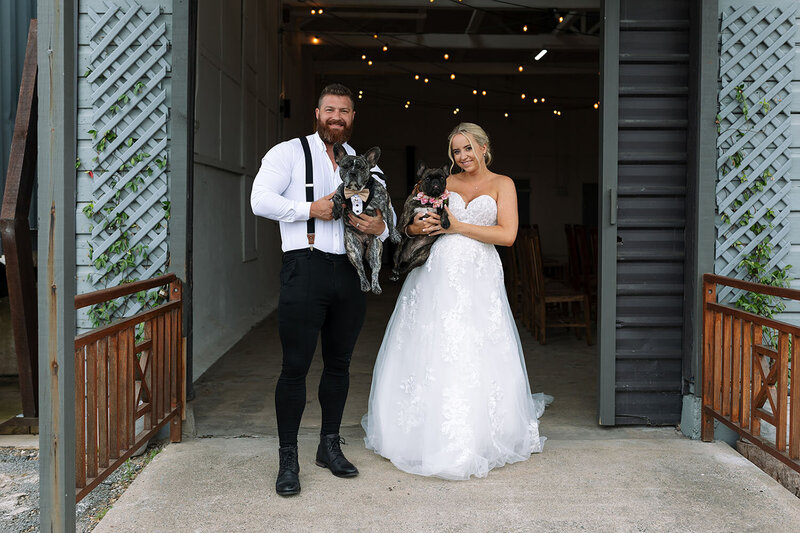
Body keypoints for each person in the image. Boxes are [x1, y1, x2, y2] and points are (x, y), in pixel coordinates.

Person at [362, 122, 551, 480]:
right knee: (435, 345)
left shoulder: (503, 184)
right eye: (455, 151)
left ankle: (479, 433)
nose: (461, 157)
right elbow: (410, 226)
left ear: (484, 147)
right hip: (435, 275)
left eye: (467, 148)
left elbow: (507, 235)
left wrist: (456, 227)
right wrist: (421, 226)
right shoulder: (442, 183)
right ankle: (422, 431)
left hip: (479, 274)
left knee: (476, 345)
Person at [251, 83, 392, 496]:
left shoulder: (365, 163)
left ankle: (328, 445)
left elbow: (393, 217)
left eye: (345, 111)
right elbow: (260, 200)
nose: (337, 117)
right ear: (317, 114)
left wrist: (380, 226)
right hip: (305, 266)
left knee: (339, 365)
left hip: (350, 271)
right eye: (330, 109)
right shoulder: (288, 152)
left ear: (352, 118)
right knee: (294, 366)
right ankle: (288, 457)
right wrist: (310, 209)